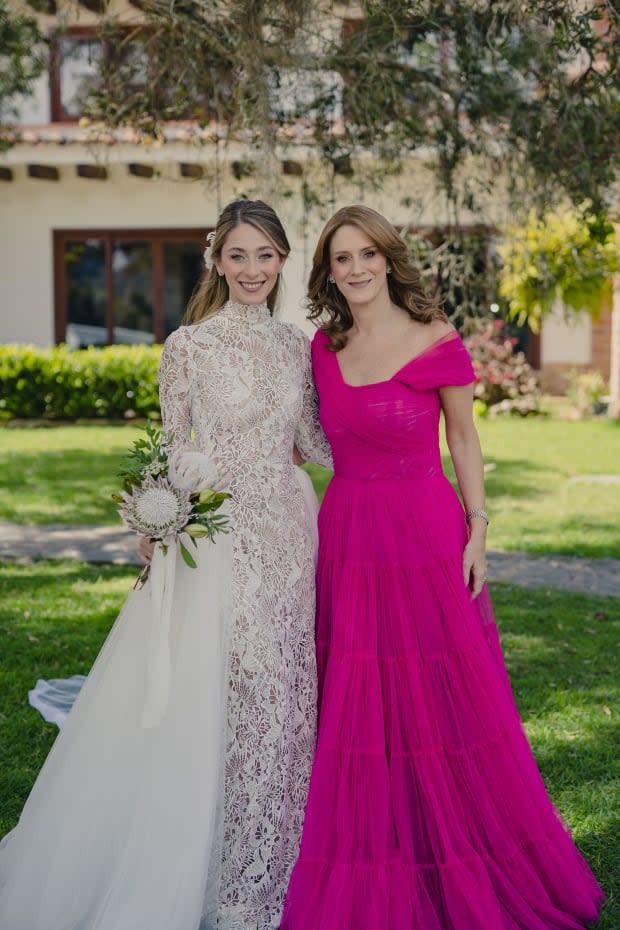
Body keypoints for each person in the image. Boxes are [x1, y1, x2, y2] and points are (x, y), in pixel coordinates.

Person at [0, 199, 332, 930]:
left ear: (283, 261)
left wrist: (384, 435)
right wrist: (157, 516)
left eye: (267, 256)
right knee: (225, 691)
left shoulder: (296, 345)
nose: (253, 270)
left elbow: (312, 440)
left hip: (286, 531)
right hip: (217, 540)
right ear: (217, 260)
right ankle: (215, 871)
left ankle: (277, 862)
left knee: (284, 691)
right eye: (239, 255)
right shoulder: (187, 346)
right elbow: (168, 446)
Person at [281, 205, 604, 930]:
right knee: (357, 691)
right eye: (341, 259)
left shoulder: (437, 340)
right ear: (327, 272)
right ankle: (377, 830)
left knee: (437, 688)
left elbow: (464, 438)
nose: (356, 268)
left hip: (425, 531)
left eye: (367, 254)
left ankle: (451, 833)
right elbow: (299, 441)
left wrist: (479, 529)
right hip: (349, 534)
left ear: (389, 260)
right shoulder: (322, 350)